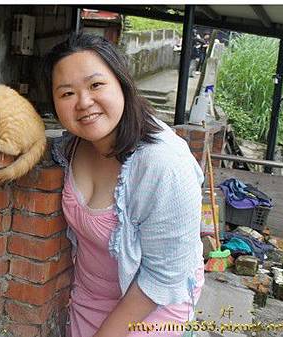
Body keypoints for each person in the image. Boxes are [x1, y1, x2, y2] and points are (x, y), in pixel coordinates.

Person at [42, 33, 205, 337]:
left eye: (96, 85)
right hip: (86, 299)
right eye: (67, 94)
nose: (84, 103)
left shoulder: (165, 164)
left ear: (122, 83)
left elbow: (165, 277)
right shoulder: (72, 146)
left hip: (150, 307)